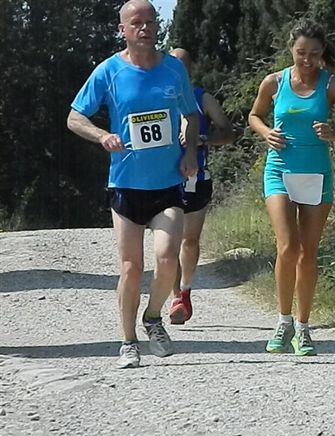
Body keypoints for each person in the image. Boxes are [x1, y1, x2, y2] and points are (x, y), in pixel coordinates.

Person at [67, 0, 199, 368]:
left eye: (150, 22)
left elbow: (191, 113)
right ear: (122, 29)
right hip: (126, 185)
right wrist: (101, 135)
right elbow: (75, 117)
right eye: (136, 23)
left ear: (158, 27)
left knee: (168, 258)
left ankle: (153, 317)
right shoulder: (109, 71)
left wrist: (189, 152)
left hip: (167, 184)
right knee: (131, 267)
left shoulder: (173, 69)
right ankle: (128, 341)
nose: (144, 28)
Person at [248, 19, 335, 356]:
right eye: (300, 53)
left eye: (313, 53)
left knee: (308, 253)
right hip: (279, 169)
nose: (306, 59)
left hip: (316, 172)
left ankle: (304, 327)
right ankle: (283, 322)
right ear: (290, 51)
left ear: (322, 52)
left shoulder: (332, 86)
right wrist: (266, 133)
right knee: (287, 247)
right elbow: (254, 115)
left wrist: (332, 134)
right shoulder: (275, 81)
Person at [167, 48, 235, 325]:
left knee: (189, 240)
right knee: (169, 242)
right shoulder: (157, 96)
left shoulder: (202, 98)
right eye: (173, 64)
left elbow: (229, 133)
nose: (177, 70)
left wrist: (202, 140)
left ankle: (185, 290)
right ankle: (174, 298)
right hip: (164, 179)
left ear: (190, 70)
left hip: (197, 178)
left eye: (183, 66)